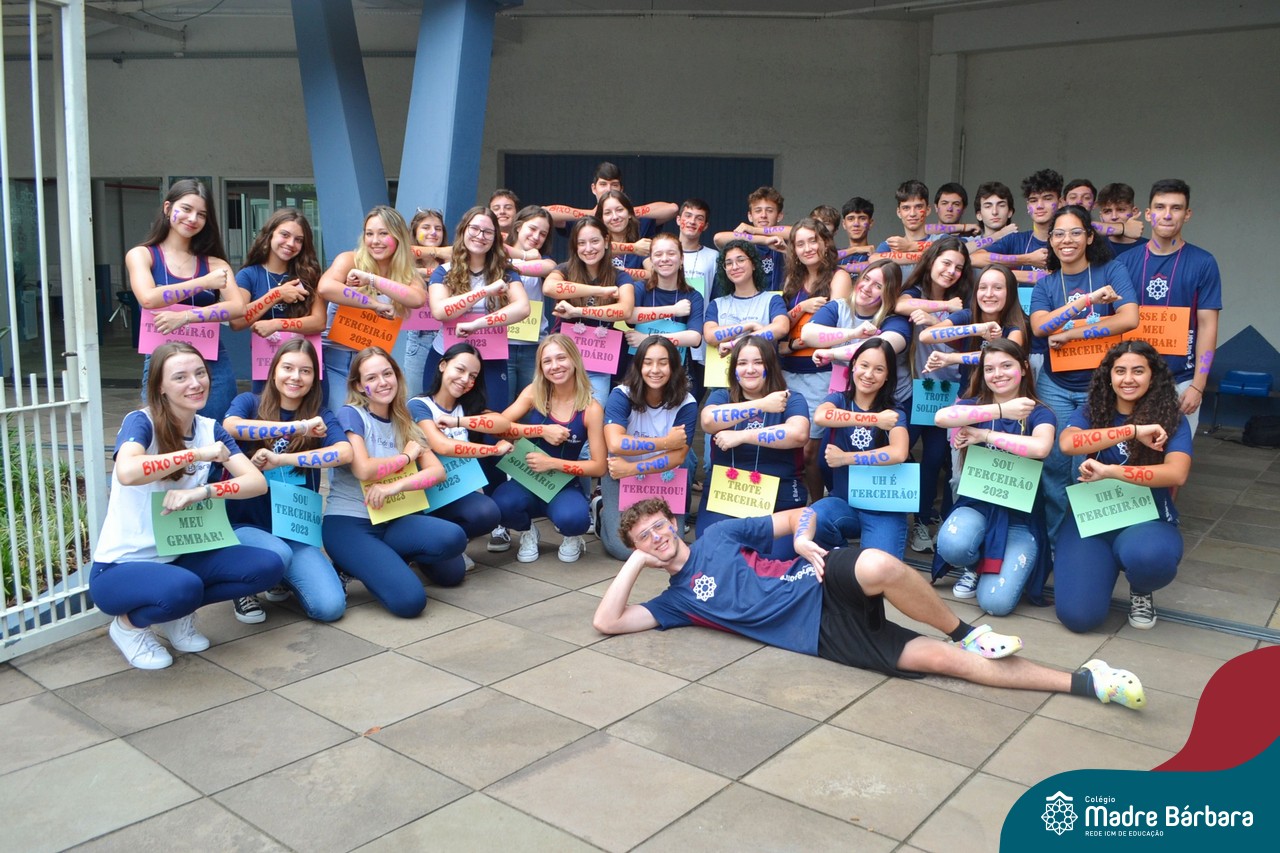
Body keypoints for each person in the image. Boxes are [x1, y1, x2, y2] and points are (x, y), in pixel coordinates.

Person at [595, 498, 1145, 710]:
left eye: (659, 527)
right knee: (941, 663)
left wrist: (804, 539)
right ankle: (1089, 682)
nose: (657, 539)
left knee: (879, 563)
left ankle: (967, 632)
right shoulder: (675, 603)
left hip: (815, 581)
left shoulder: (718, 535)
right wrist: (635, 564)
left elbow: (803, 514)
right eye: (644, 539)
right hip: (821, 637)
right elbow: (608, 621)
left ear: (675, 522)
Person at [89, 342, 284, 670]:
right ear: (160, 387)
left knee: (267, 566)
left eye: (200, 373)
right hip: (121, 566)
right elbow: (127, 471)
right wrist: (196, 454)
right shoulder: (141, 422)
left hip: (180, 553)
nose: (195, 383)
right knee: (184, 588)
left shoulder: (209, 428)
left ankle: (175, 614)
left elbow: (256, 483)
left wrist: (203, 492)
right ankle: (129, 627)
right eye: (180, 377)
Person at [322, 347, 468, 618]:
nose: (382, 382)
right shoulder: (352, 414)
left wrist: (395, 487)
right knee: (410, 602)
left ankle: (382, 558)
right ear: (359, 385)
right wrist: (405, 458)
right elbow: (363, 469)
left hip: (394, 516)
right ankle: (347, 565)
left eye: (387, 374)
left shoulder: (404, 417)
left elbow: (437, 472)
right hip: (351, 521)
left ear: (397, 375)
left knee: (453, 558)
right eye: (372, 378)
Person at [1056, 341, 1191, 632]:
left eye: (1138, 371)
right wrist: (1131, 430)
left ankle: (1141, 588)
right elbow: (1068, 443)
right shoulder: (1092, 410)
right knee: (1079, 618)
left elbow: (1177, 473)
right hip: (1093, 517)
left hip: (1146, 520)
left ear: (1153, 376)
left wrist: (1112, 472)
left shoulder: (1172, 418)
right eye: (1120, 371)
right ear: (1109, 376)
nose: (1128, 379)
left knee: (1151, 558)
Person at [223, 338, 352, 623]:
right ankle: (244, 585)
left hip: (294, 528)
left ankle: (278, 575)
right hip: (246, 525)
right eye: (288, 368)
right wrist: (296, 428)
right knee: (277, 553)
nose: (295, 377)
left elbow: (344, 452)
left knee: (330, 607)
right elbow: (230, 426)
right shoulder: (249, 402)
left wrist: (284, 459)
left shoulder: (320, 415)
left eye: (305, 371)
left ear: (314, 378)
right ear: (274, 371)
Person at [1030, 204, 1139, 539]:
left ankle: (1088, 541)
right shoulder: (1046, 284)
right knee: (1054, 465)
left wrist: (1071, 333)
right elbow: (1040, 327)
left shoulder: (1112, 270)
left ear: (1090, 237)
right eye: (1059, 234)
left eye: (1076, 232)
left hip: (1101, 387)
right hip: (1055, 386)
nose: (1067, 240)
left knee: (1090, 464)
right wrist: (1086, 301)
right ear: (1050, 240)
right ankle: (1055, 542)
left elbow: (1129, 318)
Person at [932, 339, 1056, 615]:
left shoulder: (1039, 411)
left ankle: (996, 565)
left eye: (1006, 366)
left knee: (996, 604)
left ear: (1024, 368)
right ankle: (973, 565)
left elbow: (1040, 448)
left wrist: (985, 435)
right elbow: (941, 418)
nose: (997, 374)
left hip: (1019, 517)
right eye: (989, 369)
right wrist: (1000, 410)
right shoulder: (976, 406)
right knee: (952, 545)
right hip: (978, 505)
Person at [126, 179, 246, 421]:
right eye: (186, 209)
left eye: (201, 214)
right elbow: (148, 298)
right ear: (168, 208)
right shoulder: (142, 255)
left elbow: (237, 307)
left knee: (215, 431)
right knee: (164, 432)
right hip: (163, 362)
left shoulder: (214, 263)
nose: (193, 219)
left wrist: (185, 317)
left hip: (211, 362)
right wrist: (203, 283)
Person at [1116, 178, 1222, 436]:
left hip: (1181, 381)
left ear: (1187, 214)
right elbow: (1113, 321)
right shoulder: (1124, 262)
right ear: (1148, 213)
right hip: (1130, 380)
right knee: (1126, 453)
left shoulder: (1203, 263)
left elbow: (1208, 326)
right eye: (1160, 207)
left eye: (1176, 208)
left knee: (1175, 455)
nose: (1167, 215)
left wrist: (1198, 385)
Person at [495, 334, 606, 563]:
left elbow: (598, 467)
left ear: (574, 360)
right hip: (526, 478)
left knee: (575, 520)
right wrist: (540, 430)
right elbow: (499, 427)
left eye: (561, 358)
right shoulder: (533, 392)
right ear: (540, 367)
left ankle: (572, 537)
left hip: (563, 484)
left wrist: (553, 464)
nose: (555, 366)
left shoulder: (591, 408)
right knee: (501, 506)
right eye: (547, 361)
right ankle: (527, 531)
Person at [895, 236, 975, 553]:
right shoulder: (915, 293)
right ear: (931, 261)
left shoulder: (966, 300)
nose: (951, 271)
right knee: (901, 452)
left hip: (951, 391)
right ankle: (900, 520)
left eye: (958, 267)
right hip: (918, 390)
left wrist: (934, 320)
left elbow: (965, 338)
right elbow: (900, 305)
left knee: (933, 460)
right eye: (946, 263)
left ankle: (925, 521)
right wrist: (942, 307)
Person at [697, 336, 809, 555]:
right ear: (734, 369)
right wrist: (761, 405)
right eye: (742, 363)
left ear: (770, 366)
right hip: (725, 496)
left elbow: (798, 434)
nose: (750, 369)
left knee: (775, 564)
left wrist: (742, 436)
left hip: (779, 500)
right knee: (713, 556)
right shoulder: (721, 396)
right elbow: (708, 421)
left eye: (758, 362)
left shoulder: (791, 399)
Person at [410, 342, 513, 567]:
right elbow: (442, 446)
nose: (465, 379)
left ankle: (450, 544)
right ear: (442, 365)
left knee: (488, 512)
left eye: (473, 376)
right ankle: (419, 547)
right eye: (460, 369)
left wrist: (458, 421)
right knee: (449, 574)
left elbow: (502, 423)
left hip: (453, 492)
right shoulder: (419, 405)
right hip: (423, 499)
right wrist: (493, 450)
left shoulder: (465, 408)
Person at [317, 206, 426, 414]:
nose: (375, 241)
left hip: (372, 365)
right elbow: (325, 287)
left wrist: (371, 280)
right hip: (334, 359)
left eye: (383, 233)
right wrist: (374, 304)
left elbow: (417, 298)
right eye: (369, 234)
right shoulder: (350, 260)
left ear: (398, 237)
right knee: (342, 418)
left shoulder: (406, 274)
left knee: (372, 421)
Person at [600, 336, 697, 560]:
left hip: (661, 474)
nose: (655, 370)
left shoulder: (687, 402)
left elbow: (678, 456)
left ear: (674, 366)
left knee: (672, 543)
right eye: (648, 362)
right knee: (624, 549)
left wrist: (632, 469)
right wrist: (666, 442)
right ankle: (602, 512)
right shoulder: (621, 395)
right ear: (638, 366)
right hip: (620, 473)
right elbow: (615, 443)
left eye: (663, 363)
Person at [425, 206, 530, 412]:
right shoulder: (444, 272)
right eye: (474, 229)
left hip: (492, 358)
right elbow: (440, 311)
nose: (480, 236)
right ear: (463, 230)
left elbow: (523, 308)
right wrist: (484, 291)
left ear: (495, 237)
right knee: (441, 419)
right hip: (448, 356)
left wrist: (477, 324)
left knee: (490, 420)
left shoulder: (506, 272)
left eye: (488, 232)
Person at [812, 337, 910, 557]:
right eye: (864, 365)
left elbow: (899, 452)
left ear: (888, 376)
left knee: (878, 567)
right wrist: (874, 420)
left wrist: (846, 458)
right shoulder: (839, 399)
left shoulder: (893, 411)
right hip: (844, 503)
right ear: (853, 365)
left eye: (879, 369)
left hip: (883, 506)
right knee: (813, 518)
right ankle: (843, 559)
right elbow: (821, 416)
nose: (868, 374)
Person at [780, 217, 853, 502]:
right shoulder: (792, 279)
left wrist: (799, 340)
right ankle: (802, 503)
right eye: (800, 243)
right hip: (788, 371)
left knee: (811, 451)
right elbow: (781, 325)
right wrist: (801, 308)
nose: (808, 248)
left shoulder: (839, 277)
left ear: (825, 242)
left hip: (822, 373)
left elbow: (835, 329)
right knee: (793, 447)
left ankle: (818, 506)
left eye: (813, 240)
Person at [231, 207, 326, 394]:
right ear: (270, 235)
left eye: (299, 240)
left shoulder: (309, 274)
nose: (291, 243)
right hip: (267, 368)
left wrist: (277, 324)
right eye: (285, 235)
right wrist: (276, 295)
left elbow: (319, 322)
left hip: (306, 369)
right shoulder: (248, 275)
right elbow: (237, 321)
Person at [544, 216, 636, 405]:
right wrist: (599, 291)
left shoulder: (620, 276)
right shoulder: (564, 270)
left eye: (594, 241)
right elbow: (549, 287)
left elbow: (626, 309)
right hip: (563, 356)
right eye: (581, 243)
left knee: (595, 409)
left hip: (599, 357)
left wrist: (578, 311)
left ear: (606, 241)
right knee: (560, 409)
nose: (588, 248)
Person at [806, 259, 912, 412]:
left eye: (878, 286)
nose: (867, 288)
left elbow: (875, 349)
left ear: (888, 292)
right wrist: (853, 333)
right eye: (866, 279)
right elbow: (808, 334)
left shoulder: (896, 320)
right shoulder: (838, 307)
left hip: (891, 402)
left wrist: (832, 353)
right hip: (849, 397)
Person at [970, 168, 1061, 284]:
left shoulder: (1068, 240)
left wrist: (1034, 277)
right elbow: (975, 258)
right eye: (1033, 200)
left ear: (1060, 202)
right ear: (1027, 206)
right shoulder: (1015, 240)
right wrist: (1028, 259)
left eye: (1047, 199)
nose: (1039, 206)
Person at [504, 205, 557, 393]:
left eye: (543, 234)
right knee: (503, 404)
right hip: (501, 342)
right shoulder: (496, 256)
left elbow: (549, 267)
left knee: (532, 405)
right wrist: (523, 256)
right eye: (532, 229)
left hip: (533, 347)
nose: (536, 237)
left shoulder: (545, 261)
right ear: (518, 226)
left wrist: (510, 266)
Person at [402, 207, 449, 398]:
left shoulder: (453, 261)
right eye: (426, 227)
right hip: (418, 338)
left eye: (438, 228)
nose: (433, 233)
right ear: (414, 232)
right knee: (416, 398)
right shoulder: (404, 262)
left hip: (448, 335)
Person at [713, 186, 788, 290]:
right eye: (758, 210)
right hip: (749, 299)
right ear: (750, 216)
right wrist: (765, 240)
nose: (763, 215)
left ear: (779, 216)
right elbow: (718, 238)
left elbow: (798, 231)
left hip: (781, 299)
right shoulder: (744, 243)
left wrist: (755, 230)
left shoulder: (785, 241)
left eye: (769, 211)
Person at [875, 179, 931, 279]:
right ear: (899, 212)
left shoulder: (941, 239)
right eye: (906, 208)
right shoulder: (890, 246)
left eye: (918, 207)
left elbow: (948, 249)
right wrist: (929, 256)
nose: (912, 213)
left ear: (928, 210)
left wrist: (909, 246)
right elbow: (873, 260)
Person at [596, 189, 651, 276]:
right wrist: (634, 248)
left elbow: (653, 274)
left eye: (619, 210)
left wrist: (620, 271)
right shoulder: (593, 242)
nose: (615, 217)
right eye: (607, 213)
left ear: (629, 214)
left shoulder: (640, 244)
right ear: (601, 219)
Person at [1096, 183, 1148, 257]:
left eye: (1121, 210)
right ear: (1101, 216)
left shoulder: (1149, 248)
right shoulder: (1093, 247)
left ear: (1134, 212)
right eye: (1107, 211)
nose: (1114, 217)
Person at [838, 196, 875, 263]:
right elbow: (824, 259)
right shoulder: (835, 255)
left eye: (862, 218)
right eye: (850, 219)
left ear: (870, 223)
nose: (856, 224)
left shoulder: (877, 255)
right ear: (844, 224)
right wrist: (855, 249)